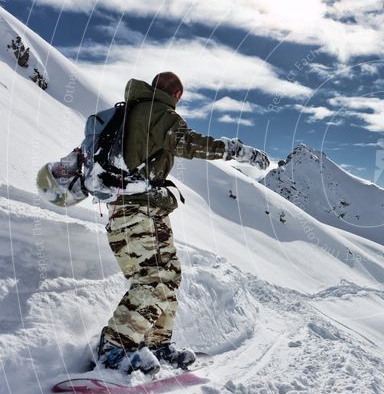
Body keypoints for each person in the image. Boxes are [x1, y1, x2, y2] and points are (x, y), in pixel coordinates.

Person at [96, 72, 270, 375]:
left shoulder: (136, 111)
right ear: (176, 95)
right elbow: (188, 143)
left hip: (147, 210)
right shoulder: (159, 113)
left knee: (170, 276)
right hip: (134, 211)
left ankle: (156, 343)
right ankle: (114, 348)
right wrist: (234, 149)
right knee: (151, 280)